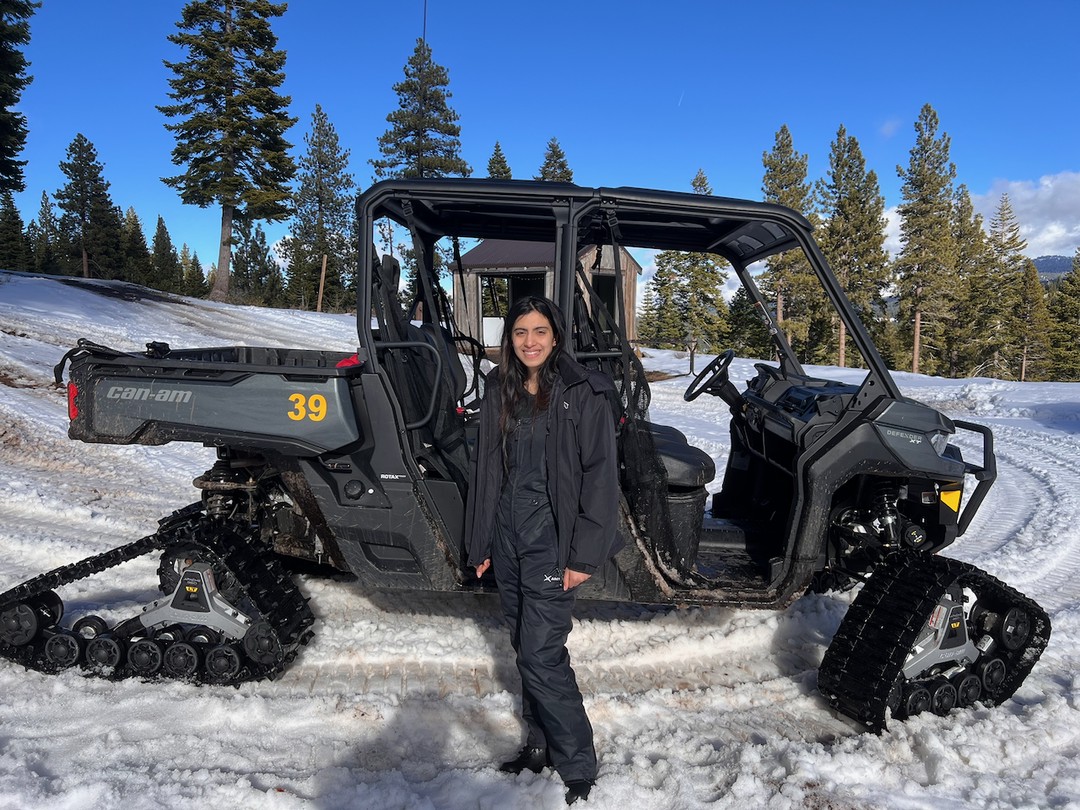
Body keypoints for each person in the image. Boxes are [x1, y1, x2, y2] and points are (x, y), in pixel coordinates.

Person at [465, 295, 621, 806]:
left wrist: (582, 555)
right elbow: (489, 469)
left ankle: (578, 765)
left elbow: (600, 476)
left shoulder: (583, 391)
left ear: (556, 336)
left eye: (539, 332)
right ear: (510, 340)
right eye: (519, 333)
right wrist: (482, 540)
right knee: (523, 647)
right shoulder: (498, 388)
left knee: (541, 654)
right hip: (509, 536)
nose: (529, 342)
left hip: (552, 541)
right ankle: (539, 747)